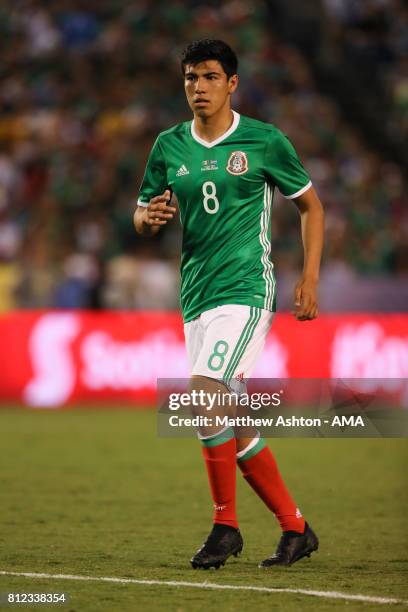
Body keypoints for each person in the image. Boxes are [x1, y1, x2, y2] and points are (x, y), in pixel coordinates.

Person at [134, 39, 324, 570]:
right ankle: (296, 529)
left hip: (245, 291)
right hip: (195, 296)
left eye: (211, 77)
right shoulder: (169, 145)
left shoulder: (263, 140)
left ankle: (225, 527)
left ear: (232, 83)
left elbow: (310, 206)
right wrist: (146, 220)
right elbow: (141, 212)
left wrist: (309, 278)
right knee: (229, 418)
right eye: (191, 77)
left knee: (202, 397)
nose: (199, 87)